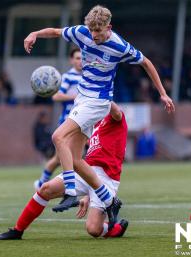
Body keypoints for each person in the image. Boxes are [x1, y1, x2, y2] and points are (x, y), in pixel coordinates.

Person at [24, 5, 175, 224]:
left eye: (99, 31)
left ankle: (70, 191)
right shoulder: (83, 33)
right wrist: (35, 34)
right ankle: (109, 200)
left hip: (99, 101)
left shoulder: (119, 45)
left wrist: (162, 93)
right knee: (75, 159)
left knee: (58, 137)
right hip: (82, 98)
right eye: (91, 31)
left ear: (109, 27)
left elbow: (146, 63)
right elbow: (56, 32)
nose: (94, 36)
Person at [0, 102, 128, 240]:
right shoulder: (94, 122)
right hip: (86, 171)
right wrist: (88, 194)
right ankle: (17, 231)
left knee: (93, 229)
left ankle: (116, 228)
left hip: (106, 177)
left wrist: (100, 97)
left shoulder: (114, 117)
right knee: (45, 189)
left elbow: (117, 112)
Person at [34, 48, 82, 189]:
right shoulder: (68, 77)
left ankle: (73, 187)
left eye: (82, 58)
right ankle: (46, 184)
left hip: (84, 121)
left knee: (77, 157)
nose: (80, 61)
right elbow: (56, 96)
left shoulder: (87, 76)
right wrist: (76, 97)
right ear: (71, 60)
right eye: (77, 58)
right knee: (60, 158)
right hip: (68, 121)